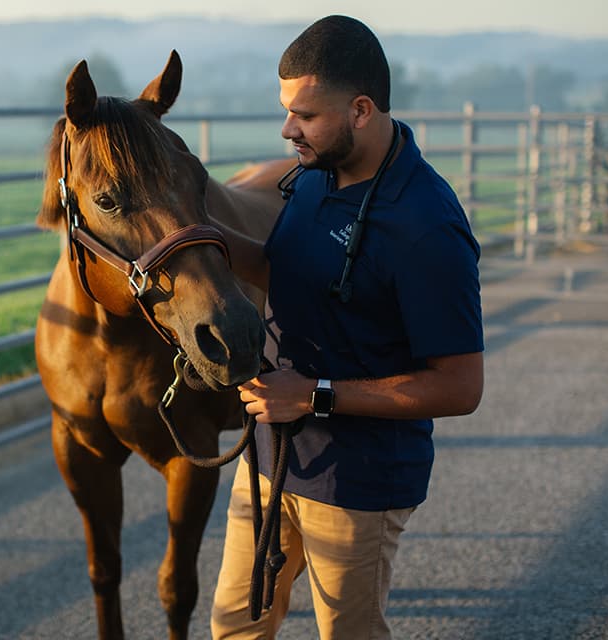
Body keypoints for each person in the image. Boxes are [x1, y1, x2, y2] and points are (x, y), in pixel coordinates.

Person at [209, 15, 485, 640]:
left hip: (358, 481)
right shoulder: (311, 177)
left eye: (304, 114)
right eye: (286, 111)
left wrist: (313, 394)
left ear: (361, 109)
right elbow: (284, 270)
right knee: (234, 629)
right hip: (269, 459)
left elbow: (461, 387)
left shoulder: (426, 226)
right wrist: (204, 243)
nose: (287, 129)